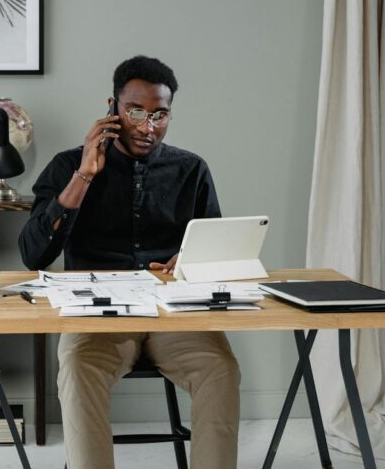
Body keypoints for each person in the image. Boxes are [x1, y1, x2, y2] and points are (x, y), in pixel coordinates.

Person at [18, 55, 240, 469]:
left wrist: (188, 261)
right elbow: (34, 254)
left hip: (173, 314)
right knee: (79, 370)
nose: (147, 126)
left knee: (221, 370)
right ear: (112, 109)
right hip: (97, 316)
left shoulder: (191, 170)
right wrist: (85, 175)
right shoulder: (69, 166)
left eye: (160, 115)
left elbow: (214, 254)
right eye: (135, 111)